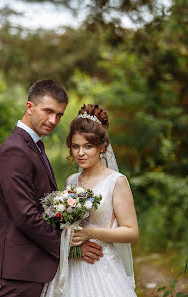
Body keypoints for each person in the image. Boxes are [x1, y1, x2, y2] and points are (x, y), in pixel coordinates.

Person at [0, 80, 103, 297]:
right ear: (30, 107)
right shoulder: (15, 150)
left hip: (35, 266)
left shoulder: (31, 146)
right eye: (48, 111)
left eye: (59, 115)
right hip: (22, 268)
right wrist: (70, 248)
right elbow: (26, 215)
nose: (53, 120)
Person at [41, 104, 139, 297]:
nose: (80, 153)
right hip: (71, 265)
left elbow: (132, 232)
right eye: (75, 146)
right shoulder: (72, 181)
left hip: (101, 264)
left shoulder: (116, 182)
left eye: (88, 146)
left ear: (102, 147)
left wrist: (92, 232)